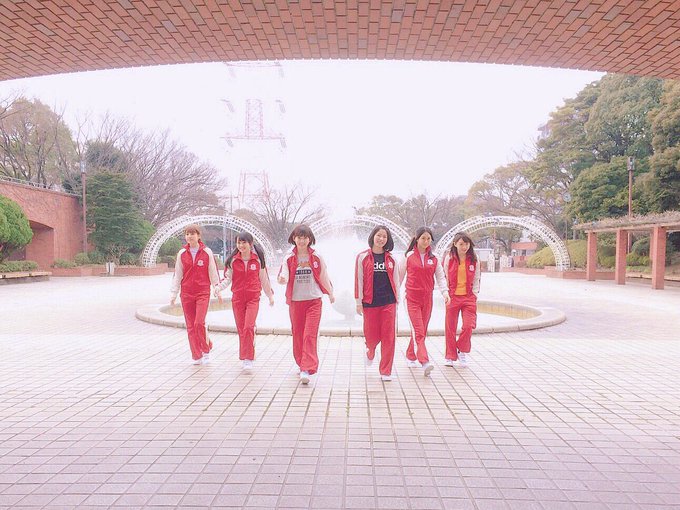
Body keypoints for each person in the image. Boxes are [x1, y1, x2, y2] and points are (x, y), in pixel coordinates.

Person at [277, 224, 335, 385]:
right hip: (296, 302)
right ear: (294, 238)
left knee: (309, 334)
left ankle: (306, 368)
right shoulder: (289, 257)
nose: (301, 241)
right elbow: (284, 274)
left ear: (310, 239)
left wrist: (330, 293)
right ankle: (301, 361)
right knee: (298, 334)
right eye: (299, 237)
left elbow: (324, 276)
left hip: (314, 301)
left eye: (305, 238)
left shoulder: (316, 257)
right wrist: (282, 279)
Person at [215, 232, 274, 373]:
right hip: (238, 299)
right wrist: (218, 288)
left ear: (250, 244)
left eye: (244, 243)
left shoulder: (258, 261)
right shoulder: (233, 261)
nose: (241, 246)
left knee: (248, 327)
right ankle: (245, 355)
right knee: (242, 329)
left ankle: (248, 358)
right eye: (239, 243)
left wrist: (270, 295)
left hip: (253, 298)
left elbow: (264, 279)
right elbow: (227, 279)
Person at [400, 226, 450, 377]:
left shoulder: (434, 259)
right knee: (418, 331)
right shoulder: (408, 256)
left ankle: (411, 355)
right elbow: (399, 277)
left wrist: (445, 293)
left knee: (421, 330)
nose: (426, 241)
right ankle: (424, 361)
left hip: (427, 299)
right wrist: (394, 295)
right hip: (411, 299)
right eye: (423, 238)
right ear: (417, 239)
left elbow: (440, 277)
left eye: (429, 239)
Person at [355, 225, 401, 381]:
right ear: (373, 236)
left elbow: (396, 281)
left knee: (389, 336)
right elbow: (358, 279)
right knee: (371, 336)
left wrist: (397, 300)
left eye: (384, 237)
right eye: (379, 235)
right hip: (370, 302)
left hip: (389, 302)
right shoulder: (362, 257)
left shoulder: (392, 259)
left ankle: (386, 371)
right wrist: (358, 301)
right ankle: (370, 350)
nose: (381, 239)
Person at [170, 224, 221, 364]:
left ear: (198, 236)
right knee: (191, 325)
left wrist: (217, 288)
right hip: (186, 293)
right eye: (187, 234)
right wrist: (174, 293)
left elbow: (213, 271)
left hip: (202, 292)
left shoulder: (207, 252)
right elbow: (177, 274)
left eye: (192, 233)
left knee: (199, 323)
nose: (189, 236)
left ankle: (206, 349)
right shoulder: (182, 253)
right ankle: (196, 355)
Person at [443, 232, 480, 367]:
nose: (464, 247)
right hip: (452, 297)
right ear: (455, 244)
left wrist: (474, 294)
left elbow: (477, 277)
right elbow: (444, 277)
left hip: (469, 297)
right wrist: (446, 294)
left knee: (469, 325)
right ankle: (450, 356)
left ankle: (461, 350)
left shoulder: (474, 259)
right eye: (461, 244)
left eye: (467, 244)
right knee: (450, 327)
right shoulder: (449, 258)